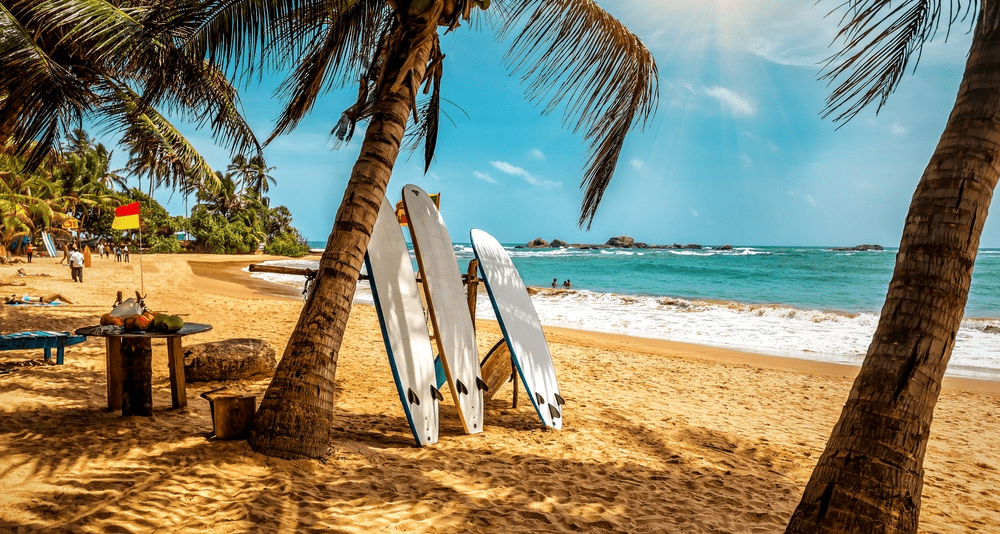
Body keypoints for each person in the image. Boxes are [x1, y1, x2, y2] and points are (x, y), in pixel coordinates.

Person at [5, 293, 73, 304]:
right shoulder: (21, 300)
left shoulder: (21, 298)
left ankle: (70, 302)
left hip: (43, 298)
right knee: (58, 294)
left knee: (58, 295)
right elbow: (30, 303)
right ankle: (71, 302)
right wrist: (41, 303)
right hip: (43, 300)